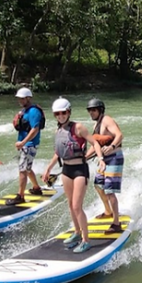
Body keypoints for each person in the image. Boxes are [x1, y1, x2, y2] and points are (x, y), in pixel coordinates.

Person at [42, 97, 105, 254]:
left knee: (77, 206)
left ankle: (86, 240)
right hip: (66, 171)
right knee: (70, 205)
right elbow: (58, 152)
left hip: (79, 170)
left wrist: (101, 159)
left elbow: (95, 143)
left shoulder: (78, 128)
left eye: (63, 113)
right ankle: (77, 233)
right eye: (57, 114)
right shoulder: (58, 131)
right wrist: (48, 169)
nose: (61, 116)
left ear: (68, 112)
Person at [85, 98, 124, 234]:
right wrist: (83, 158)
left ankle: (116, 223)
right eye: (89, 110)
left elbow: (119, 135)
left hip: (114, 158)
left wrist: (112, 146)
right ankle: (108, 211)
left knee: (109, 190)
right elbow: (94, 146)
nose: (91, 113)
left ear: (100, 110)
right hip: (104, 160)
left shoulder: (107, 120)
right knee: (98, 185)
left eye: (93, 110)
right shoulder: (95, 126)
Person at [12, 87, 45, 202]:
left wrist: (23, 142)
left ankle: (20, 196)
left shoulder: (33, 111)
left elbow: (35, 129)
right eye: (19, 99)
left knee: (22, 170)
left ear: (28, 98)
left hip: (29, 145)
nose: (20, 101)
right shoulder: (25, 111)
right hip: (25, 144)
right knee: (27, 168)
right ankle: (36, 188)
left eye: (22, 99)